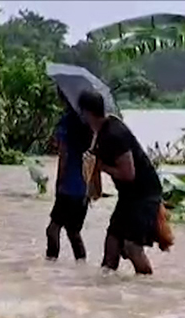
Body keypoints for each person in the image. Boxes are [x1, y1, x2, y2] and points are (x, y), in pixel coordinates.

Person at [78, 89, 162, 275]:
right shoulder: (98, 135)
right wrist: (90, 168)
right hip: (128, 196)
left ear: (86, 113)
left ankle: (148, 286)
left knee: (132, 247)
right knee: (112, 244)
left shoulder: (115, 133)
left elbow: (128, 174)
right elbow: (96, 190)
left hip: (144, 195)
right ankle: (107, 295)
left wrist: (100, 166)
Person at [46, 95, 93, 261]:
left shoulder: (66, 122)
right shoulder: (89, 124)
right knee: (73, 232)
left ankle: (50, 265)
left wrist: (59, 182)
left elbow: (63, 154)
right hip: (84, 188)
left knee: (53, 229)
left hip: (68, 186)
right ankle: (81, 265)